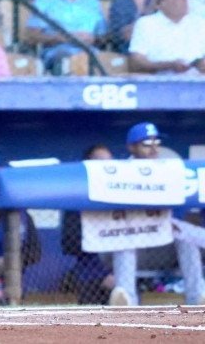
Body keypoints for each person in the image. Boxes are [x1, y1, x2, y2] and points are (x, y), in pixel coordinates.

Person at [108, 122, 205, 306]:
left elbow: (181, 212)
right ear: (132, 147)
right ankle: (126, 302)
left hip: (163, 247)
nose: (153, 148)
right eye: (146, 144)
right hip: (134, 246)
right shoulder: (119, 173)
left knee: (187, 239)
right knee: (125, 239)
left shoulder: (169, 172)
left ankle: (198, 299)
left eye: (156, 142)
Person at [24, 0, 106, 74]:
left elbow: (103, 36)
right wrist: (64, 38)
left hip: (90, 51)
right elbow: (31, 36)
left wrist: (92, 38)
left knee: (106, 60)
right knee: (71, 58)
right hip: (58, 51)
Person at [61, 144, 116, 305]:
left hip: (122, 269)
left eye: (109, 163)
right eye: (99, 162)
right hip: (90, 271)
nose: (105, 167)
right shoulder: (77, 197)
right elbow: (70, 244)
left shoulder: (121, 195)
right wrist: (103, 273)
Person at [128, 0, 205, 75]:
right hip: (161, 82)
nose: (184, 1)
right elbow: (136, 61)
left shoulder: (199, 23)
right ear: (160, 3)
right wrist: (168, 65)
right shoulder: (146, 24)